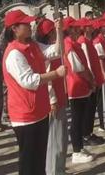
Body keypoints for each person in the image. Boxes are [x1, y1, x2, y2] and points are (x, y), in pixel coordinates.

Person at [2, 10, 66, 175]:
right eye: (26, 23)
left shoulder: (33, 45)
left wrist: (59, 31)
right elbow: (29, 81)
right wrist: (56, 74)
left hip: (39, 111)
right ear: (14, 28)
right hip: (25, 116)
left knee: (39, 160)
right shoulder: (14, 53)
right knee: (29, 162)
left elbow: (56, 51)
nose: (31, 25)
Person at [35, 18, 68, 175]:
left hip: (60, 97)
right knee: (55, 141)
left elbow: (59, 49)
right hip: (52, 101)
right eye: (52, 32)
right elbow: (47, 81)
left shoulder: (46, 48)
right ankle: (54, 171)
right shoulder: (42, 52)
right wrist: (52, 100)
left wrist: (59, 30)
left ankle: (59, 170)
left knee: (61, 139)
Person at [63, 17, 96, 164]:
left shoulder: (73, 43)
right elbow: (77, 68)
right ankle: (76, 151)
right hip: (76, 87)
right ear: (69, 29)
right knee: (76, 121)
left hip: (81, 86)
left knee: (80, 118)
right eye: (75, 28)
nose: (78, 30)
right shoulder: (68, 45)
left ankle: (80, 147)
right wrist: (89, 79)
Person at [77, 19, 105, 146]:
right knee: (88, 110)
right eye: (89, 25)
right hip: (90, 81)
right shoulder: (83, 42)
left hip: (95, 79)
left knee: (91, 108)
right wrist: (91, 80)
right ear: (84, 28)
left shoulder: (88, 41)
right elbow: (87, 63)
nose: (92, 27)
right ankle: (85, 134)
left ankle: (89, 132)